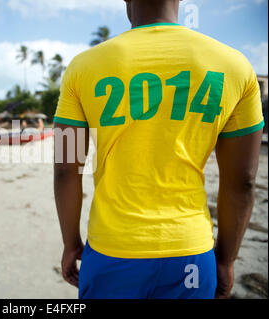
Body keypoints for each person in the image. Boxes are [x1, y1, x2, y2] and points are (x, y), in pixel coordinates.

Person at [53, 0, 264, 299]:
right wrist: (227, 259)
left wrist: (71, 242)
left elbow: (66, 167)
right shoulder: (234, 66)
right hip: (191, 253)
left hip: (111, 251)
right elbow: (242, 180)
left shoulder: (84, 66)